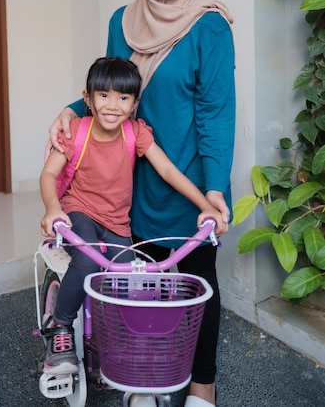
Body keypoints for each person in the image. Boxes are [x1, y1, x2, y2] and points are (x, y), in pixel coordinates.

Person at [48, 0, 235, 407]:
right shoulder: (121, 20)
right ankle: (142, 380)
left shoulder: (209, 27)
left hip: (187, 183)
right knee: (134, 288)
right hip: (131, 185)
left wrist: (214, 189)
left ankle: (202, 388)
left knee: (196, 290)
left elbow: (217, 115)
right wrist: (69, 112)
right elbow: (110, 86)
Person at [40, 55, 226, 378]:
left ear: (135, 103)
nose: (113, 105)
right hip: (78, 211)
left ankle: (112, 341)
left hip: (117, 224)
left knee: (130, 283)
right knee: (89, 260)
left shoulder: (135, 133)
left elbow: (168, 170)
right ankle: (60, 327)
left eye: (123, 97)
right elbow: (48, 175)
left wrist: (206, 204)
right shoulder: (75, 132)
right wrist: (53, 208)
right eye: (103, 95)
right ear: (87, 98)